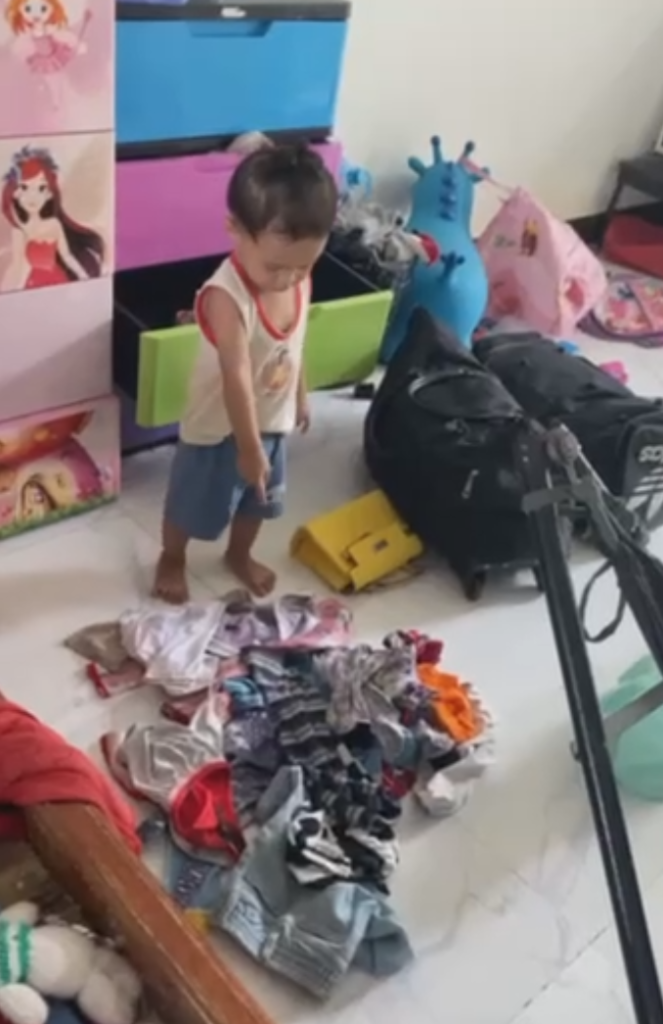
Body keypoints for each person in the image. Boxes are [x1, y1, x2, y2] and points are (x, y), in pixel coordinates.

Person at [153, 143, 338, 604]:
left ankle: (239, 553)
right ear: (235, 229)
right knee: (191, 503)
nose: (289, 279)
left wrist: (300, 392)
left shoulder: (297, 277)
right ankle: (172, 556)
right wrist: (249, 448)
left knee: (258, 501)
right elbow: (235, 375)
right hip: (217, 428)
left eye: (304, 265)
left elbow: (293, 344)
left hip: (270, 422)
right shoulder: (226, 296)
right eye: (276, 266)